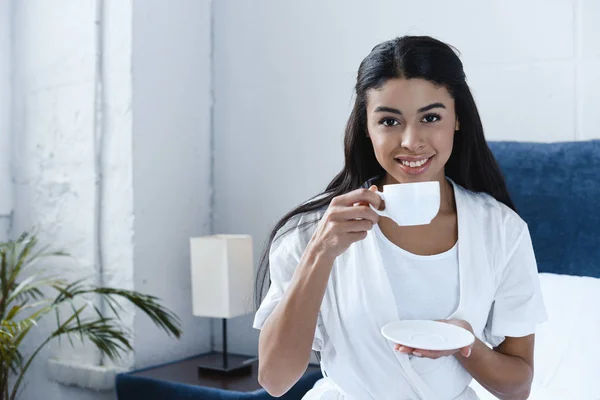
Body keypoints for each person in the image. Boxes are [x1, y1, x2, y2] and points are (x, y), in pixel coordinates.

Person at [252, 36, 547, 400]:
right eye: (390, 121)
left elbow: (518, 388)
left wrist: (464, 344)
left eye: (431, 117)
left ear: (457, 120)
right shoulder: (312, 231)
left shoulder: (501, 230)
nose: (411, 141)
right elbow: (275, 380)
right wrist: (320, 253)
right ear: (366, 126)